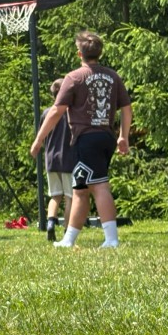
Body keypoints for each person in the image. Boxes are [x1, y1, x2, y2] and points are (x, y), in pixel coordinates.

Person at [31, 31, 132, 249]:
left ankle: (112, 239)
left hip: (87, 139)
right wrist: (123, 136)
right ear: (99, 52)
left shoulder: (74, 77)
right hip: (105, 137)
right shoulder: (113, 77)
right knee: (80, 188)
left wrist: (39, 139)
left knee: (100, 186)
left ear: (79, 54)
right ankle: (68, 239)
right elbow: (126, 107)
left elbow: (56, 110)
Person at [41, 79, 76, 242]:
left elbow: (43, 134)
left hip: (51, 159)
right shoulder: (71, 112)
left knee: (55, 196)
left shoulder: (46, 113)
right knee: (70, 197)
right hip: (68, 159)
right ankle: (67, 231)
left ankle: (50, 223)